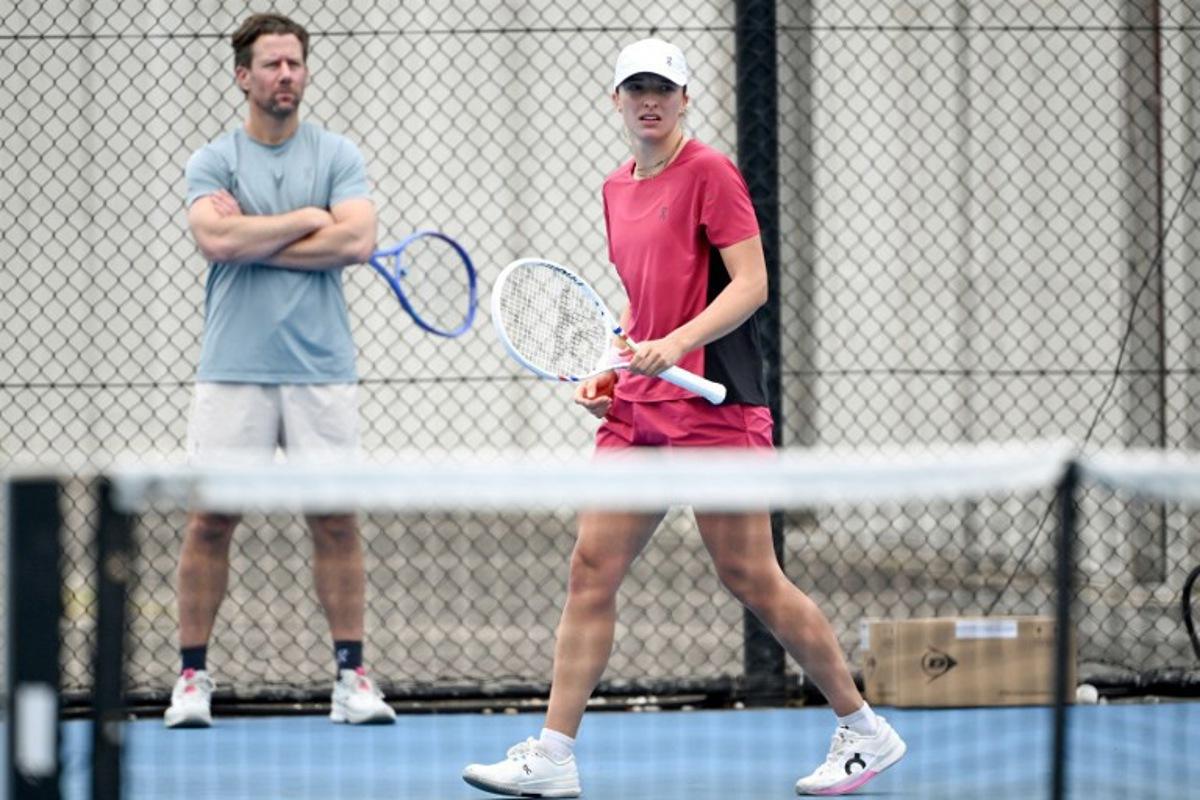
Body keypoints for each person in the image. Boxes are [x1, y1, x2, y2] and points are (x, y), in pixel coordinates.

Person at [462, 38, 904, 796]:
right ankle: (554, 755)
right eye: (635, 89)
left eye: (662, 88)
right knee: (590, 569)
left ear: (685, 98)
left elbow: (752, 284)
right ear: (616, 101)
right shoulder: (614, 188)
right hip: (640, 412)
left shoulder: (710, 173)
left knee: (752, 576)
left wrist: (679, 343)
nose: (648, 101)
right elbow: (646, 303)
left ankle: (865, 729)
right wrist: (616, 369)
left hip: (718, 412)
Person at [164, 12, 394, 729]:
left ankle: (352, 676)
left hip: (322, 369)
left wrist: (255, 235)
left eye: (294, 63)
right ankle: (192, 679)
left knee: (334, 520)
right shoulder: (213, 159)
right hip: (232, 368)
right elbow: (212, 238)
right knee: (210, 521)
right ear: (244, 76)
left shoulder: (338, 154)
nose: (285, 75)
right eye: (271, 64)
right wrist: (306, 217)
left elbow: (357, 240)